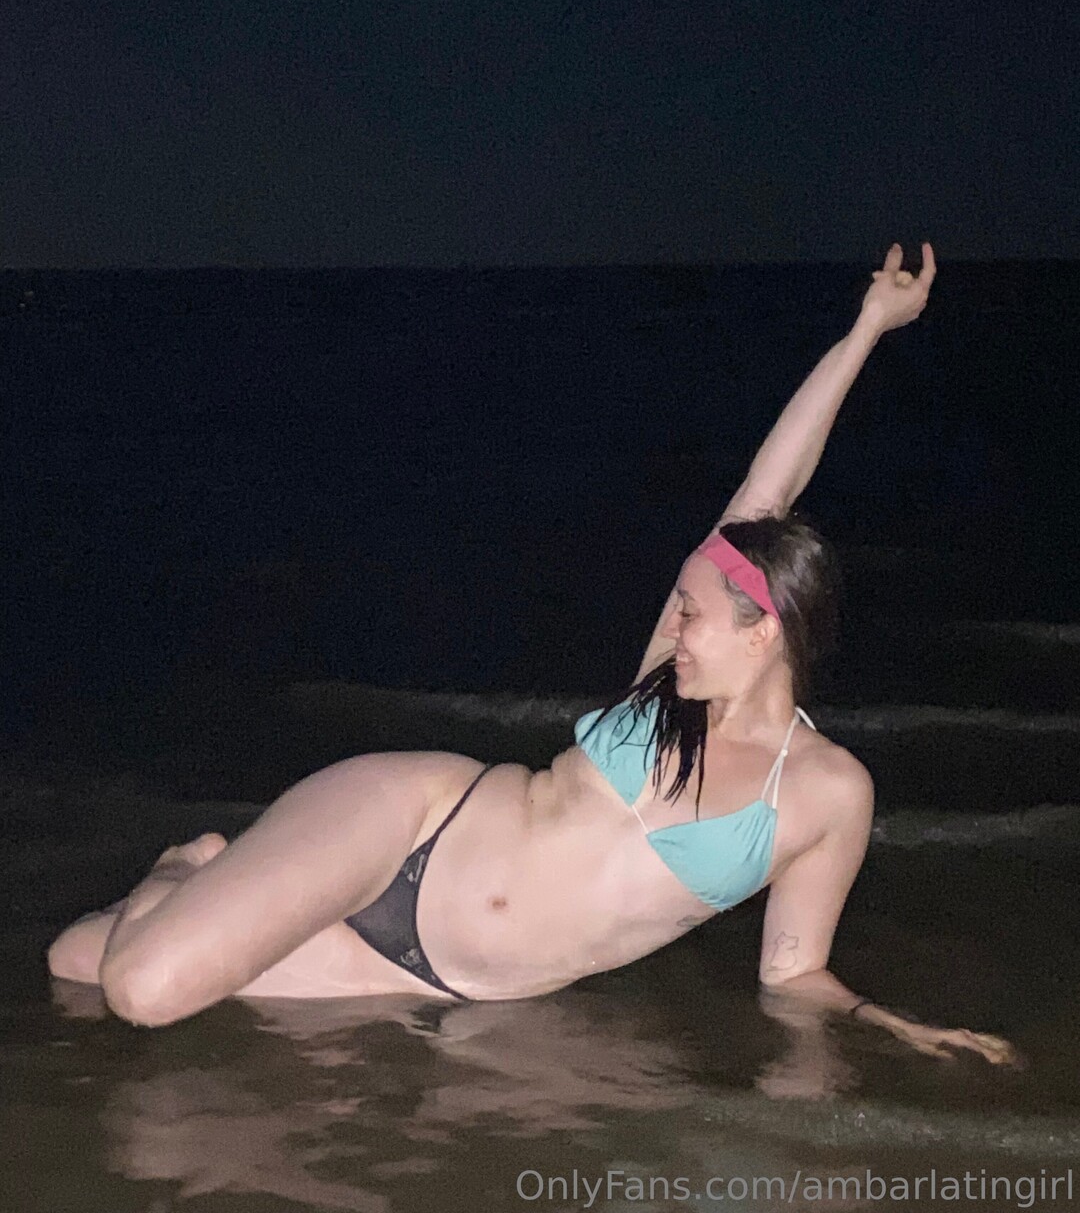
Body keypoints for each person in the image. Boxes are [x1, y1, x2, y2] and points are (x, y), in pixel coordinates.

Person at [47, 243, 1016, 1065]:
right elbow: (769, 487)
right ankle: (188, 864)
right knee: (144, 987)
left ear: (764, 627)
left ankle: (199, 887)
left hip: (432, 979)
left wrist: (892, 1024)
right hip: (411, 824)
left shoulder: (829, 795)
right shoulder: (663, 694)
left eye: (692, 613)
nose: (671, 627)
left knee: (74, 963)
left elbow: (794, 973)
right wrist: (866, 329)